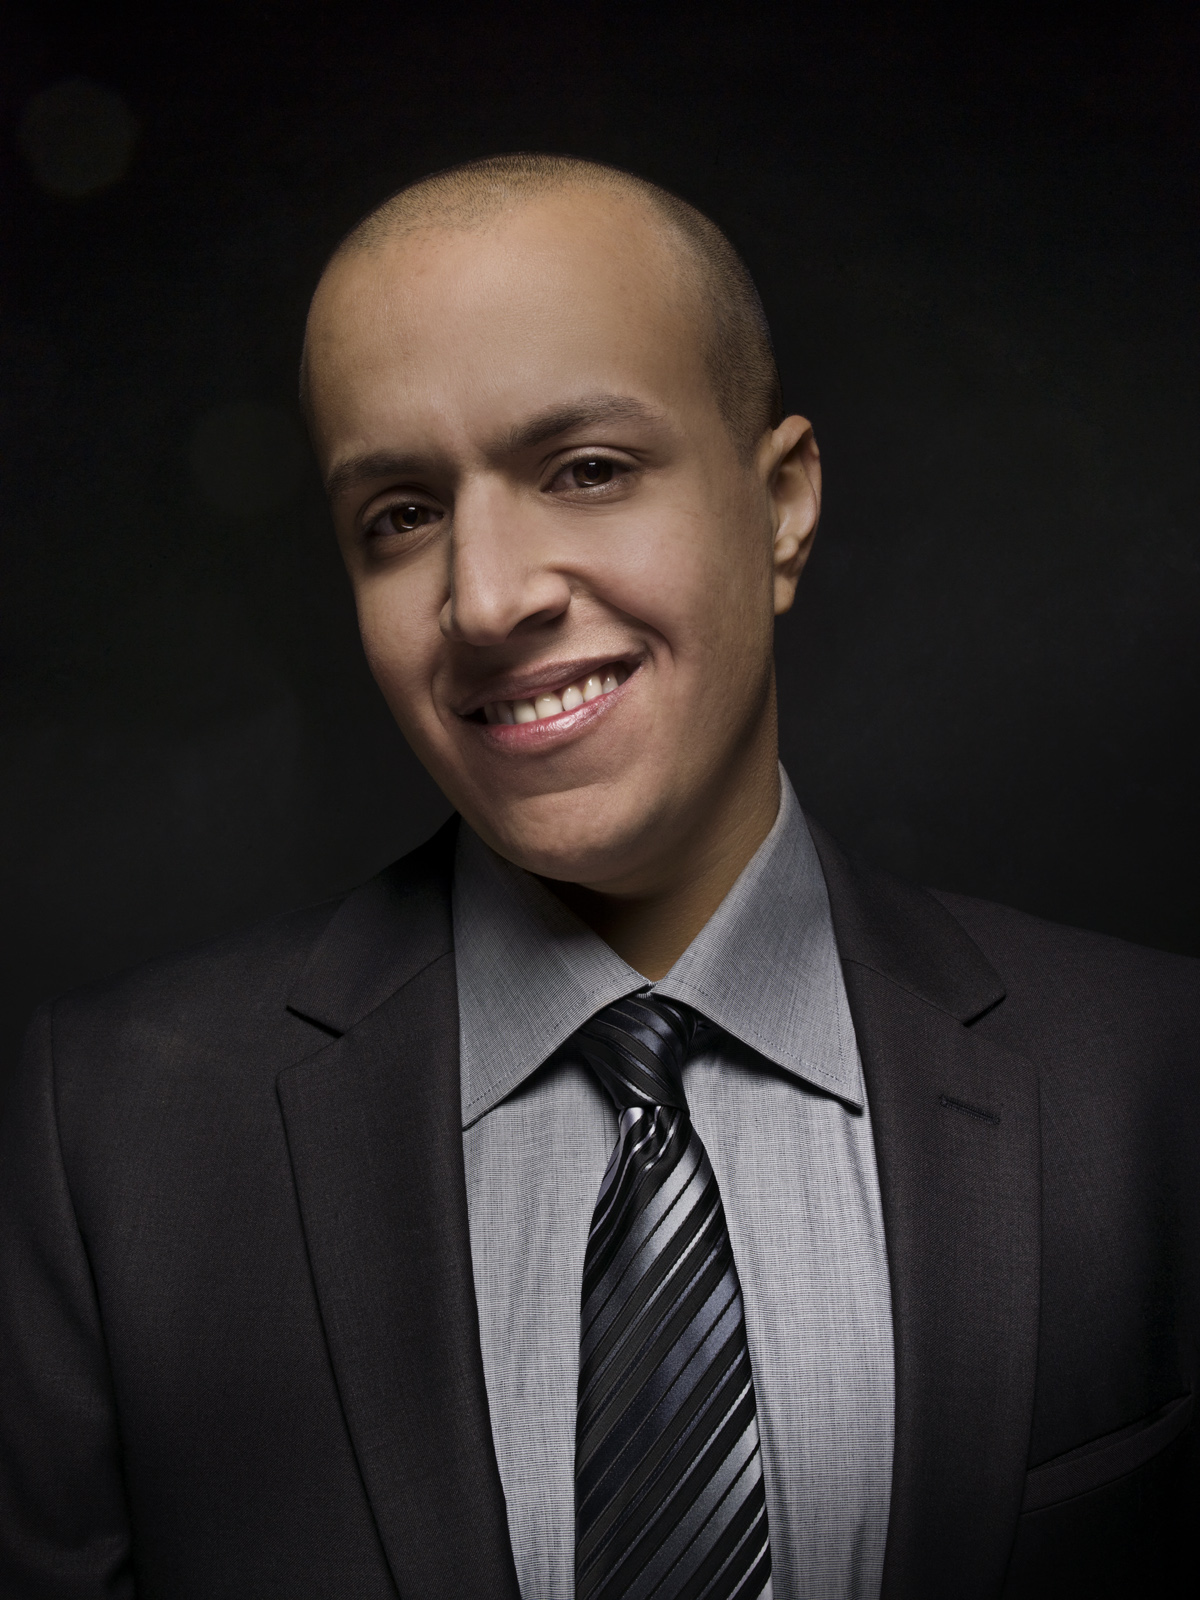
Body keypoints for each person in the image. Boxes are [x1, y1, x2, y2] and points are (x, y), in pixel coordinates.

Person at [0, 154, 1196, 1600]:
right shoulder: (111, 1138)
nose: (488, 597)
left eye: (586, 471)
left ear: (782, 504)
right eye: (401, 513)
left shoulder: (1156, 1077)